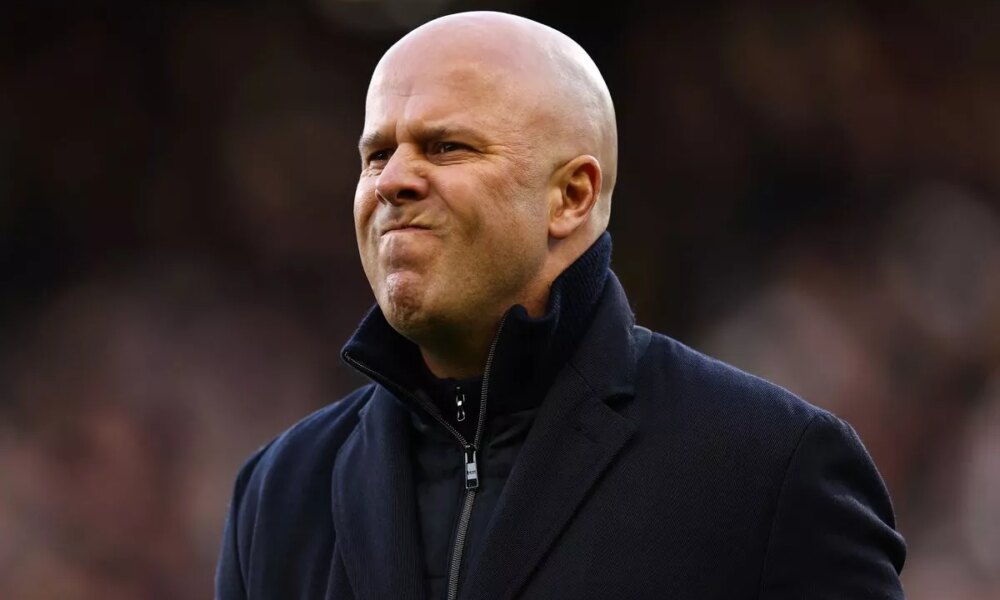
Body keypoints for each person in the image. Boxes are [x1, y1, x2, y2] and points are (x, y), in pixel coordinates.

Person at [215, 11, 906, 599]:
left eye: (445, 147)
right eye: (376, 155)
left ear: (571, 197)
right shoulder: (279, 493)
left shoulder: (767, 468)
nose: (393, 180)